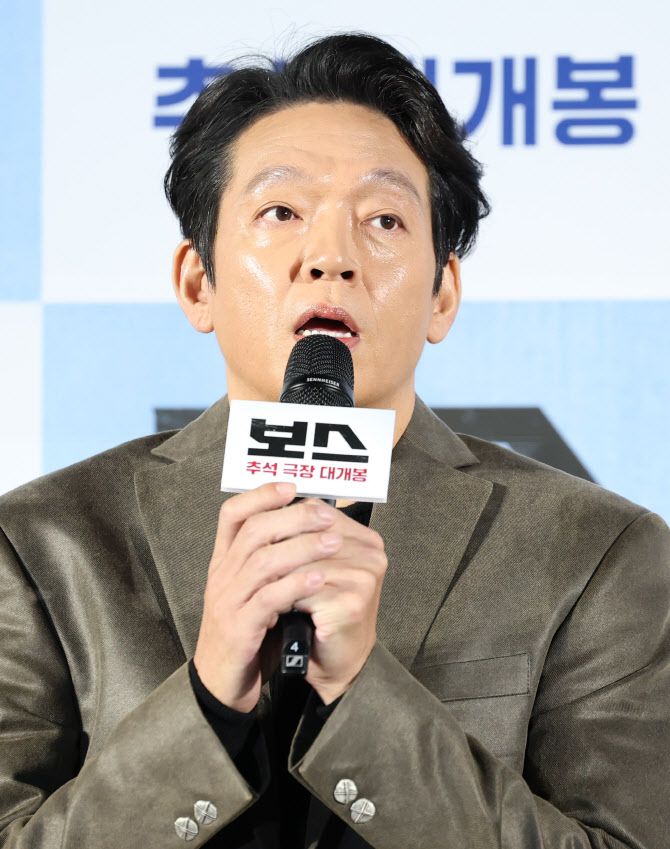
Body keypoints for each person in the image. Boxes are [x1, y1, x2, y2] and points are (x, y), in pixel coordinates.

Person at [0, 31, 668, 849]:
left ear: (442, 295)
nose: (330, 258)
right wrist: (206, 701)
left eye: (383, 219)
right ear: (198, 281)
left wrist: (363, 694)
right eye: (281, 213)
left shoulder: (596, 550)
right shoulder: (44, 542)